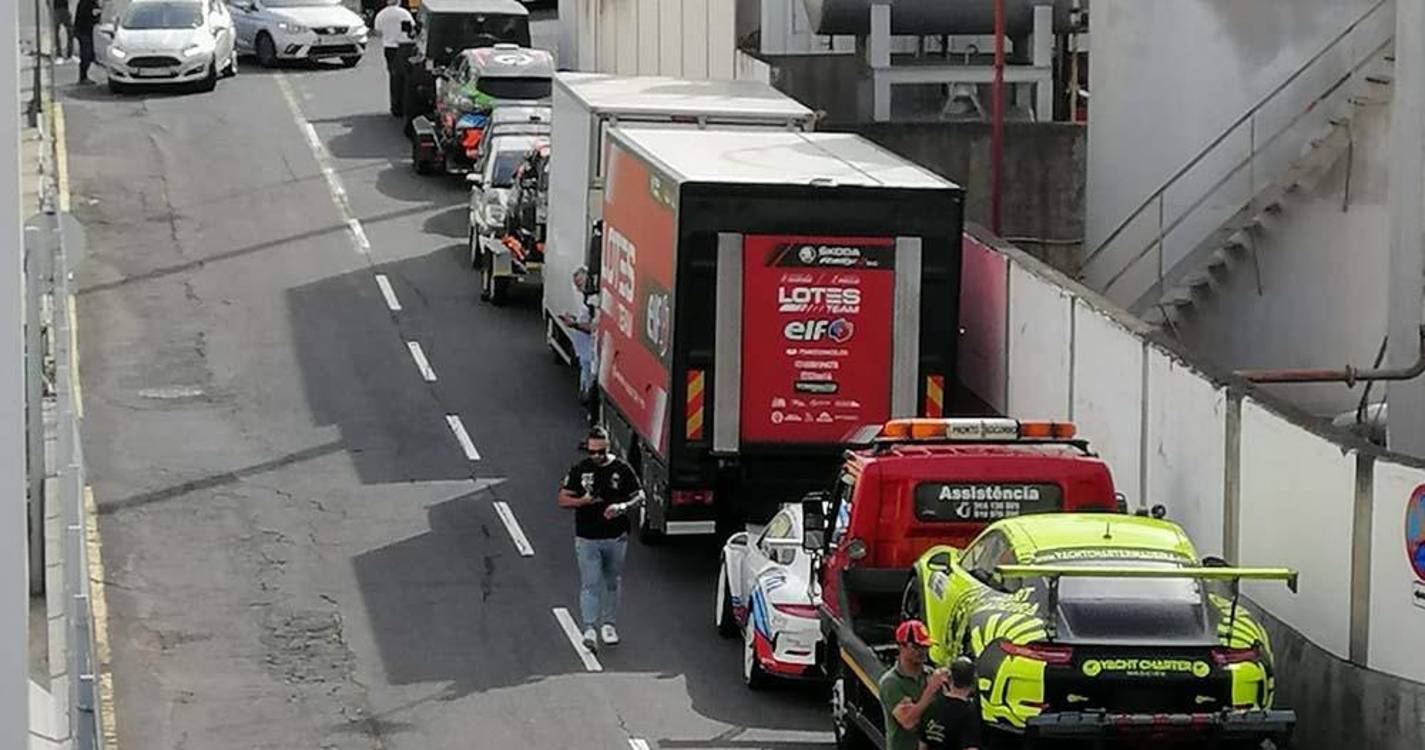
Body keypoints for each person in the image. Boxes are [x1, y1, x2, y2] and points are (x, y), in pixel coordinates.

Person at [557, 426, 644, 652]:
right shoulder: (580, 470)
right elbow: (563, 498)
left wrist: (622, 507)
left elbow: (639, 495)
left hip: (615, 537)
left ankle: (609, 624)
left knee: (612, 581)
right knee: (590, 582)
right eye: (592, 452)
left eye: (600, 452)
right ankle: (589, 628)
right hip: (587, 537)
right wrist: (582, 502)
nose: (596, 456)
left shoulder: (622, 470)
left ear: (608, 448)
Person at [879, 620, 949, 750]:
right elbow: (908, 721)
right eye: (916, 647)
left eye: (925, 647)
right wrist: (930, 690)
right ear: (901, 647)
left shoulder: (930, 675)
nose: (922, 651)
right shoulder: (891, 682)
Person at [558, 267, 599, 424]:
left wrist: (574, 324)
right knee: (585, 387)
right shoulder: (586, 300)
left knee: (589, 388)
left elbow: (594, 328)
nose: (578, 288)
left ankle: (592, 415)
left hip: (591, 354)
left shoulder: (594, 301)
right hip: (584, 354)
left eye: (580, 284)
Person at [918, 657, 981, 750]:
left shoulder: (932, 707)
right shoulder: (970, 714)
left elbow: (922, 746)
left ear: (950, 679)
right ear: (973, 682)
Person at [373, 0, 415, 116]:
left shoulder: (381, 14)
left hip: (389, 47)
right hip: (403, 47)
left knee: (393, 75)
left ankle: (395, 107)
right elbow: (412, 30)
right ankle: (404, 104)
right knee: (405, 76)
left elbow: (377, 32)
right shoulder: (404, 13)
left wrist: (388, 34)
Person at [73, 0, 100, 84]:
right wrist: (96, 16)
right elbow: (88, 16)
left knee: (89, 54)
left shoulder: (87, 2)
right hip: (84, 31)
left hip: (85, 31)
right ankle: (83, 77)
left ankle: (83, 76)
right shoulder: (88, 3)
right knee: (86, 54)